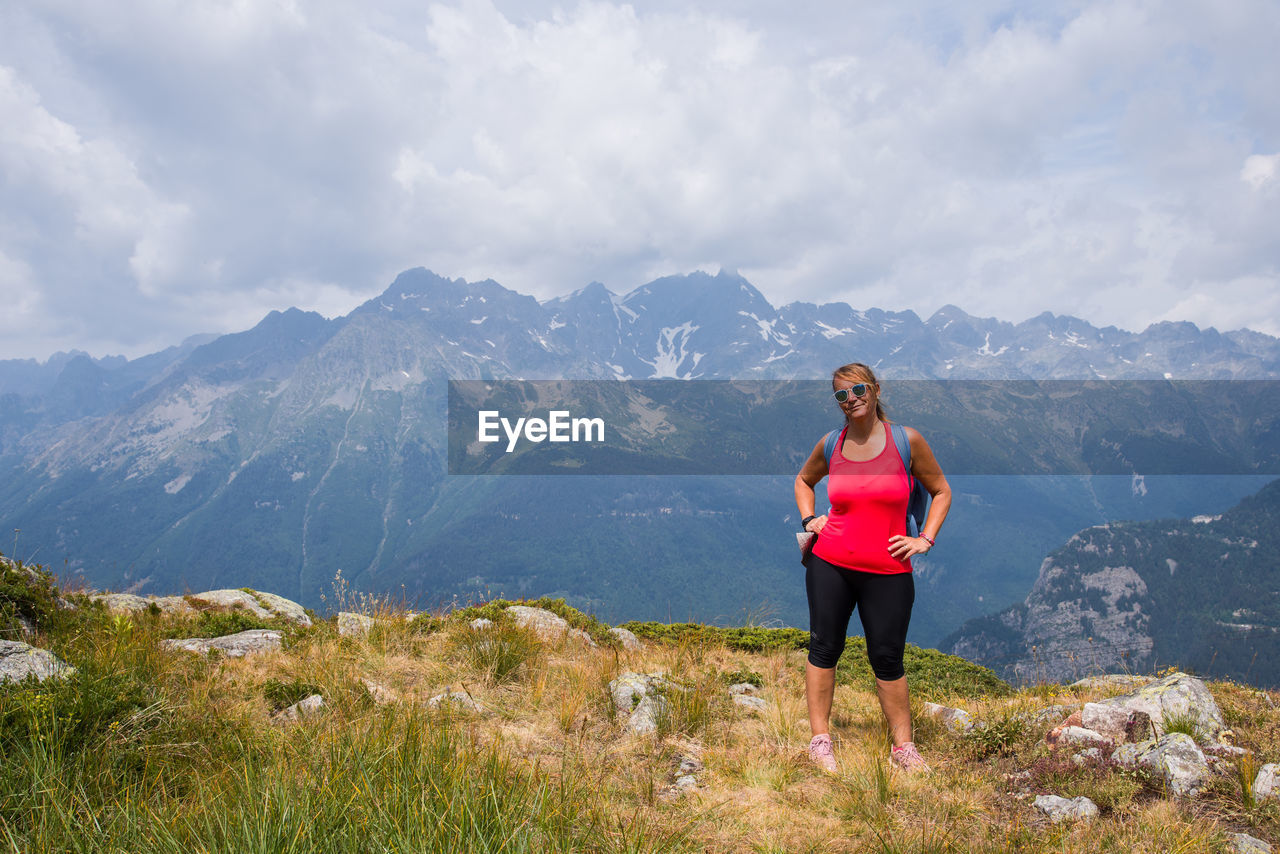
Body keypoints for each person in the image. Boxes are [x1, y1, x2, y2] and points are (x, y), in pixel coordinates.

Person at [794, 362, 951, 773]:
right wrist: (810, 520)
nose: (852, 400)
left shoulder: (906, 441)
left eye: (858, 390)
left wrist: (925, 540)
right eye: (842, 395)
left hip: (889, 567)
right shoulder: (832, 444)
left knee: (887, 656)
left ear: (876, 390)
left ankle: (903, 748)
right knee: (824, 647)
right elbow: (803, 481)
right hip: (830, 561)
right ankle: (820, 740)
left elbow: (941, 491)